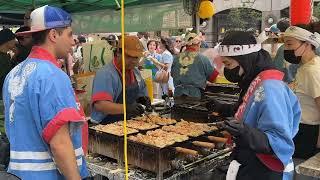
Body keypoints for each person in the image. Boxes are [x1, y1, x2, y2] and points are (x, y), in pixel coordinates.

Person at [3, 5, 89, 179]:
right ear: (53, 35)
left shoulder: (13, 74)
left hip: (18, 174)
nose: (73, 41)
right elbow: (60, 143)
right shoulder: (52, 75)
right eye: (69, 34)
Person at [206, 31, 301, 180]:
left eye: (228, 64)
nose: (226, 70)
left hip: (265, 167)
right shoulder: (254, 79)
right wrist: (222, 108)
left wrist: (244, 131)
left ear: (244, 59)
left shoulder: (270, 88)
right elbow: (250, 111)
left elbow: (278, 141)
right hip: (250, 159)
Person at [91, 36, 151, 124]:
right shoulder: (106, 74)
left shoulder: (135, 72)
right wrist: (126, 108)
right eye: (130, 56)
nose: (134, 61)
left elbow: (141, 91)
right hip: (107, 125)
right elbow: (100, 105)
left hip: (130, 123)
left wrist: (142, 99)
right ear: (118, 53)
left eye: (137, 57)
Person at [283, 25, 320, 160]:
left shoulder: (312, 71)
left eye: (289, 44)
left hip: (308, 133)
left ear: (308, 44)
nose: (286, 49)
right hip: (300, 129)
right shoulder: (307, 66)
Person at [171, 32, 219, 101]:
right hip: (195, 96)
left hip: (178, 94)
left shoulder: (176, 58)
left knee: (179, 111)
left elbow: (172, 74)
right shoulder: (202, 58)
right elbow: (214, 78)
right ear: (198, 44)